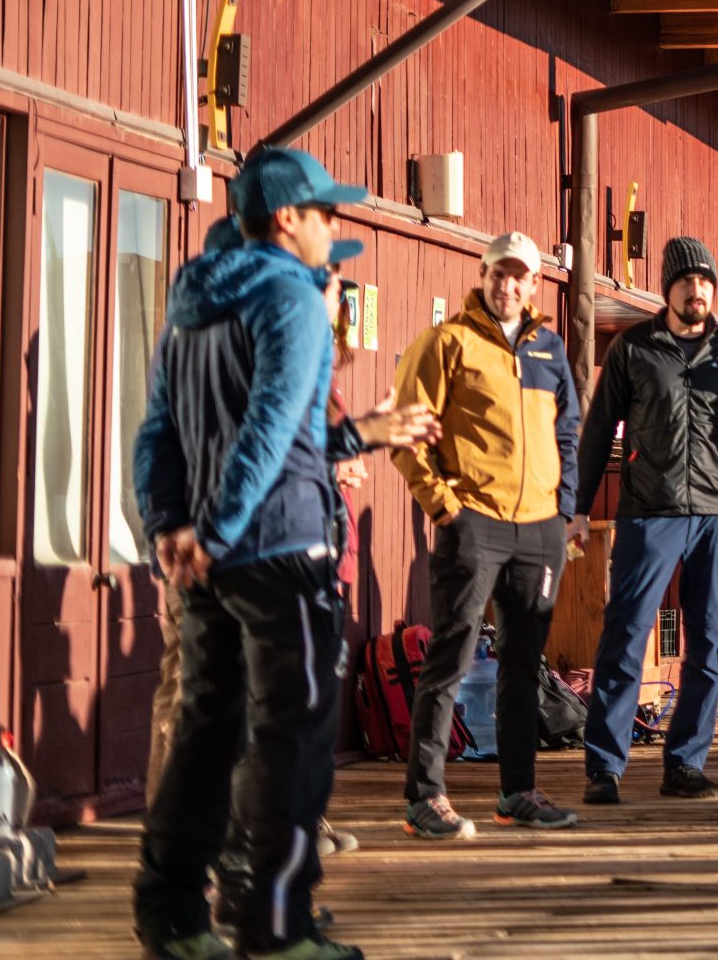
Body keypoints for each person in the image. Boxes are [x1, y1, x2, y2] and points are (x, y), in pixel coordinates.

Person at [132, 148, 438, 960]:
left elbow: (160, 430)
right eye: (325, 214)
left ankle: (170, 915)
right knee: (292, 743)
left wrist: (172, 523)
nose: (334, 228)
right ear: (285, 220)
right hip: (279, 549)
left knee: (205, 733)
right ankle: (276, 926)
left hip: (205, 556)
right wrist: (226, 524)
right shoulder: (294, 301)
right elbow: (270, 433)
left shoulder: (191, 303)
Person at [388, 230, 584, 839]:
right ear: (485, 277)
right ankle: (426, 797)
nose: (507, 285)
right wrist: (445, 505)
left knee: (524, 664)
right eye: (498, 273)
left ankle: (518, 792)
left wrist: (564, 510)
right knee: (450, 655)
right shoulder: (447, 343)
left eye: (518, 276)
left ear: (533, 284)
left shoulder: (550, 349)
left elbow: (568, 435)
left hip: (540, 530)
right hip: (473, 523)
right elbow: (406, 430)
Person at [576, 237, 718, 804]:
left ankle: (684, 763)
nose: (697, 290)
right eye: (687, 281)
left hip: (715, 514)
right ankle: (605, 767)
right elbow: (596, 433)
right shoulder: (634, 349)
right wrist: (577, 507)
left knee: (708, 640)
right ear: (667, 289)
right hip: (648, 513)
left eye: (706, 282)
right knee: (627, 633)